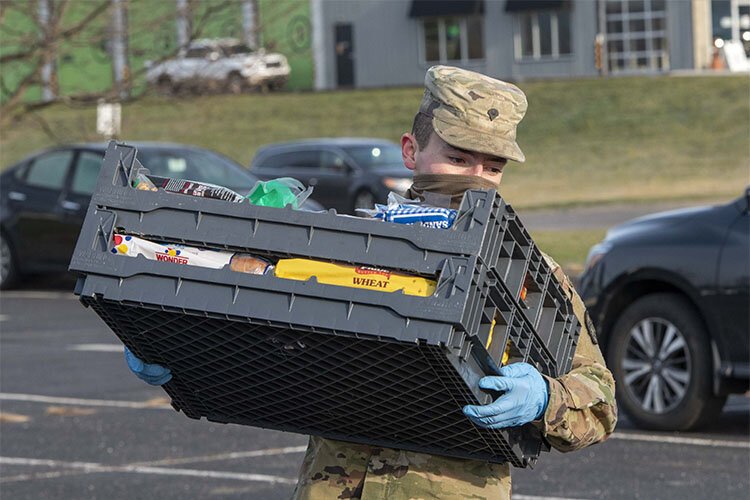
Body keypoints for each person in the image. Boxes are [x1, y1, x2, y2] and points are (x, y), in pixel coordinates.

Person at [125, 65, 617, 499]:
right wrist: (175, 346)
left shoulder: (526, 273)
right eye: (459, 158)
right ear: (411, 150)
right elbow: (271, 330)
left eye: (492, 167)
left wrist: (547, 399)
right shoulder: (344, 245)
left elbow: (600, 401)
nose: (475, 178)